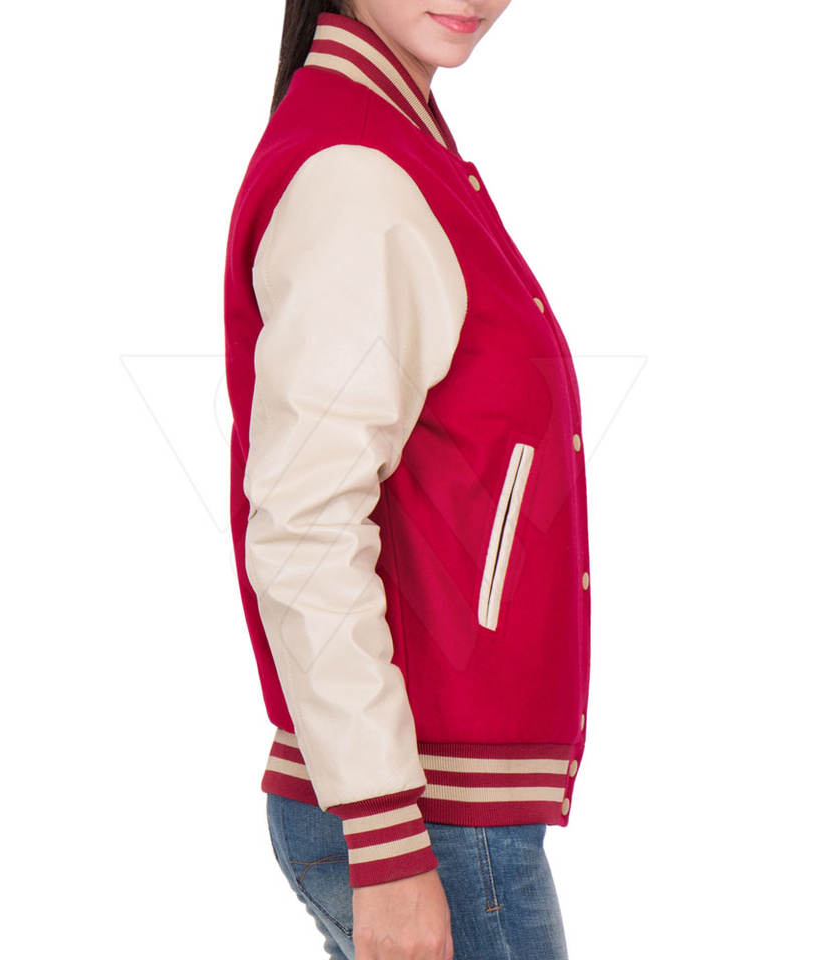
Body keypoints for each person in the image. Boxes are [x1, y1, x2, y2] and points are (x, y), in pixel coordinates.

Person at [222, 3, 591, 958]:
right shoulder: (357, 170)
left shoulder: (392, 141)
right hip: (427, 818)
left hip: (437, 810)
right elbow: (304, 527)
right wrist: (386, 841)